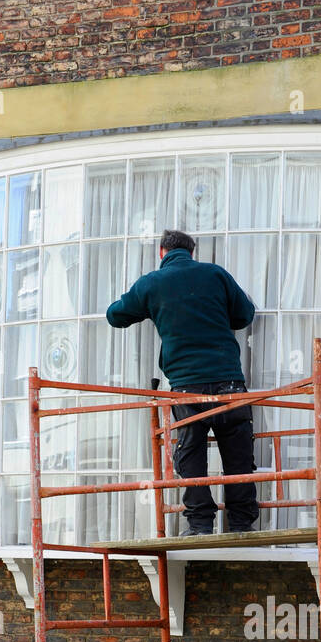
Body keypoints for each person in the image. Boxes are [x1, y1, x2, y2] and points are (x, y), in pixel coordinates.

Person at [106, 228, 258, 535]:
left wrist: (157, 308)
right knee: (238, 457)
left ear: (162, 253)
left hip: (187, 387)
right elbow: (244, 315)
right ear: (192, 252)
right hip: (230, 383)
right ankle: (241, 525)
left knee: (191, 455)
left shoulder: (152, 283)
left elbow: (115, 315)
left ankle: (200, 524)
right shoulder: (215, 274)